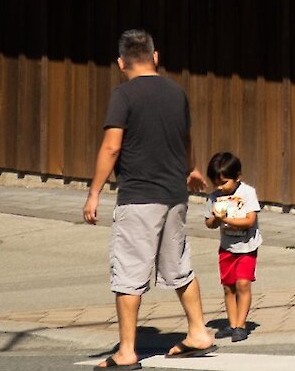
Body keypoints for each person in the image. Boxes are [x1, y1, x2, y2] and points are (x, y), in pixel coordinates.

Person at [82, 29, 216, 367]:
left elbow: (112, 146)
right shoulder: (176, 92)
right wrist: (193, 169)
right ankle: (198, 331)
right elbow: (186, 139)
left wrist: (94, 192)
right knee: (178, 265)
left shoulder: (124, 95)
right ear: (156, 57)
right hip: (175, 194)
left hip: (139, 196)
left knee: (128, 272)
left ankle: (127, 351)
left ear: (120, 62)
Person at [203, 151, 262, 342]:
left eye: (224, 182)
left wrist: (226, 219)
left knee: (243, 284)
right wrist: (216, 219)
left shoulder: (247, 193)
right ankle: (232, 323)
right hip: (227, 248)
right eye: (216, 184)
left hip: (247, 247)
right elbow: (209, 224)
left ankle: (241, 325)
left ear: (238, 177)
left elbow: (250, 221)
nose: (220, 187)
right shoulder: (214, 198)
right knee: (229, 287)